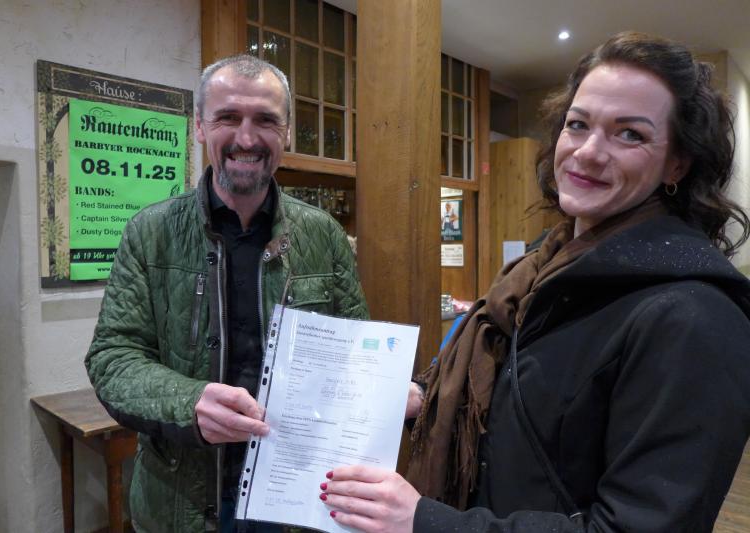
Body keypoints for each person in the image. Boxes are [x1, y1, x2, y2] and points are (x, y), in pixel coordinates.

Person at [319, 32, 750, 532]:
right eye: (578, 124)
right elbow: (514, 411)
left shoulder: (693, 317)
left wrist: (426, 522)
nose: (588, 152)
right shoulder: (538, 269)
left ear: (678, 162)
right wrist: (422, 396)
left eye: (630, 134)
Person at [86, 54, 369, 532]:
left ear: (286, 133)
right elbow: (113, 358)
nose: (247, 138)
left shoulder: (324, 235)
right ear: (200, 126)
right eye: (228, 118)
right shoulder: (150, 232)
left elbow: (355, 354)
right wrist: (189, 402)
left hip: (295, 495)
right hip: (181, 499)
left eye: (266, 120)